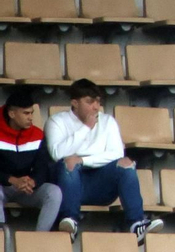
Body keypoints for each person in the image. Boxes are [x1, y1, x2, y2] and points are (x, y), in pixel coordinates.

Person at [44, 79, 162, 242]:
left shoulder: (107, 121)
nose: (95, 107)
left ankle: (137, 223)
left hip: (100, 185)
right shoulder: (57, 121)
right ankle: (70, 221)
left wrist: (83, 160)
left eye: (98, 102)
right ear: (74, 103)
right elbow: (58, 153)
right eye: (89, 102)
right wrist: (85, 128)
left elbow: (116, 154)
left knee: (125, 164)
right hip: (68, 185)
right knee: (68, 162)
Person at [0, 86, 62, 232]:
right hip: (3, 186)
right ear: (12, 113)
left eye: (32, 113)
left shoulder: (37, 135)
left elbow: (43, 167)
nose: (30, 117)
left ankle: (40, 239)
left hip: (26, 188)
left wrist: (32, 181)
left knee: (54, 192)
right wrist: (12, 180)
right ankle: (1, 239)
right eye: (26, 113)